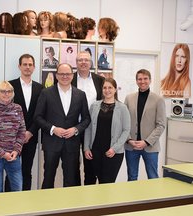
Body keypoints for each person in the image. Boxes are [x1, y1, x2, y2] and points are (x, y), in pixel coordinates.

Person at [34, 63, 91, 189]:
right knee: (48, 178)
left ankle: (69, 207)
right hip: (51, 143)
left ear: (72, 75)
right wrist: (53, 129)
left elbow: (87, 119)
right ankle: (47, 206)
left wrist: (76, 129)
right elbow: (37, 117)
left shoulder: (80, 95)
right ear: (56, 75)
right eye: (61, 74)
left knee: (71, 181)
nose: (65, 76)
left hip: (72, 144)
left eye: (68, 74)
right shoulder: (46, 93)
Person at [84, 78, 130, 184]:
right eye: (105, 87)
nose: (107, 90)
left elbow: (126, 130)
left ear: (115, 90)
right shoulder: (94, 106)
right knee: (94, 182)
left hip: (113, 152)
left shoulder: (122, 108)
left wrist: (114, 148)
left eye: (110, 87)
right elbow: (89, 128)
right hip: (95, 151)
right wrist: (86, 148)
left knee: (107, 184)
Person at [0, 81, 26, 193]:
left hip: (13, 154)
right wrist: (2, 153)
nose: (6, 94)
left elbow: (22, 131)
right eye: (3, 91)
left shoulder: (18, 108)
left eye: (9, 91)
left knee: (18, 188)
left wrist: (16, 150)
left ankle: (15, 211)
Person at [8, 54, 43, 190]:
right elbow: (6, 111)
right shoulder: (10, 85)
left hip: (31, 137)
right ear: (19, 66)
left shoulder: (40, 89)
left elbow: (40, 114)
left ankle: (25, 201)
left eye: (30, 65)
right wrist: (18, 134)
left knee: (27, 171)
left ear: (34, 67)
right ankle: (9, 200)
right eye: (24, 64)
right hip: (12, 138)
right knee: (11, 171)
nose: (27, 67)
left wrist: (30, 132)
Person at [125, 69, 166, 181]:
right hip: (131, 146)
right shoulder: (129, 98)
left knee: (153, 177)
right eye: (139, 79)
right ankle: (133, 198)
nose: (142, 81)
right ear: (136, 81)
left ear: (150, 80)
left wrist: (146, 142)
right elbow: (124, 122)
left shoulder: (158, 100)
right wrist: (129, 140)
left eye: (145, 79)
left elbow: (161, 125)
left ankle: (154, 199)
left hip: (150, 146)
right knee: (132, 177)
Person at [71, 51, 104, 186]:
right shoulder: (69, 78)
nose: (83, 62)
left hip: (93, 128)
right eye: (80, 60)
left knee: (90, 164)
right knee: (72, 164)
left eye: (86, 60)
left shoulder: (100, 80)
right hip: (73, 126)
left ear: (91, 63)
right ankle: (76, 194)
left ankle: (89, 195)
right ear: (76, 63)